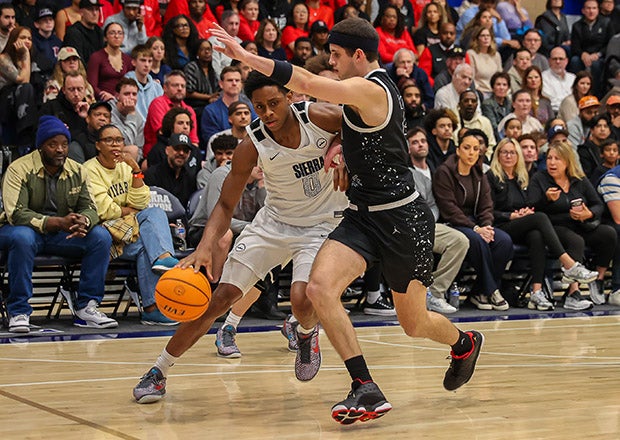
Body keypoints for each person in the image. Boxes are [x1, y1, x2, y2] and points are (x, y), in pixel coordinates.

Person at [206, 17, 484, 423]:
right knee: (319, 288)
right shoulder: (361, 95)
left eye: (336, 56)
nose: (331, 63)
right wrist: (339, 147)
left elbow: (306, 84)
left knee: (414, 323)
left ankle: (464, 342)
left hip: (402, 219)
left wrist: (247, 57)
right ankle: (364, 387)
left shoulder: (371, 87)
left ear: (357, 55)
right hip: (361, 216)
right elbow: (350, 127)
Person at [132, 71, 348, 402]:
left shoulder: (319, 117)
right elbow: (225, 203)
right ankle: (159, 370)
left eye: (274, 103)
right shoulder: (252, 144)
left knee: (303, 301)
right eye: (260, 107)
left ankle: (305, 333)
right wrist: (205, 246)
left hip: (320, 225)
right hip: (274, 223)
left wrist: (341, 146)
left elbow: (364, 127)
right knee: (218, 298)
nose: (269, 113)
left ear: (290, 97)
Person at [0, 115, 117, 333]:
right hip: (21, 231)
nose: (60, 149)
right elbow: (15, 213)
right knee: (22, 237)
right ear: (41, 146)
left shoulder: (78, 170)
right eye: (52, 144)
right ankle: (19, 311)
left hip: (60, 233)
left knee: (100, 237)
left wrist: (84, 221)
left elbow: (90, 207)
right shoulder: (19, 169)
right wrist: (55, 222)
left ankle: (87, 308)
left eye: (64, 144)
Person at [84, 123, 180, 325]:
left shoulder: (125, 167)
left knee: (153, 219)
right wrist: (129, 210)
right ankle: (153, 302)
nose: (115, 145)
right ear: (98, 145)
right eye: (109, 140)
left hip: (129, 232)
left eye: (119, 140)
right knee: (149, 228)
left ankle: (153, 304)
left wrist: (136, 170)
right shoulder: (89, 170)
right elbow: (103, 210)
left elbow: (142, 201)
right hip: (104, 239)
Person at [487, 137, 599, 310]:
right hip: (501, 225)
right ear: (497, 155)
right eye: (504, 152)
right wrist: (510, 215)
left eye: (512, 152)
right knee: (540, 218)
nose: (508, 156)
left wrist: (525, 212)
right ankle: (569, 265)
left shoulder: (522, 177)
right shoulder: (491, 177)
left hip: (524, 224)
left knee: (537, 235)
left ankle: (536, 293)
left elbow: (530, 204)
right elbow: (487, 210)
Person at [527, 140, 617, 308]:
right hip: (555, 227)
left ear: (568, 161)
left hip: (581, 224)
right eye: (549, 158)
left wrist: (588, 213)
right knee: (576, 241)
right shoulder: (540, 179)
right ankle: (572, 294)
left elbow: (598, 203)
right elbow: (532, 208)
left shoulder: (579, 179)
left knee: (608, 233)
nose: (552, 163)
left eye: (557, 159)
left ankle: (598, 279)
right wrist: (546, 199)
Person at [433, 131, 514, 311]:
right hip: (453, 224)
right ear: (458, 150)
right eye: (467, 148)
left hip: (476, 223)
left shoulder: (479, 173)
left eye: (475, 149)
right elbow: (448, 209)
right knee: (476, 240)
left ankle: (479, 292)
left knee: (503, 241)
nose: (471, 152)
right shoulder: (444, 172)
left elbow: (487, 205)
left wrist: (486, 226)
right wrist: (476, 228)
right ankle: (492, 290)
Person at [407, 127, 469, 314]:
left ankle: (434, 292)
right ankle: (431, 293)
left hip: (431, 223)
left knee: (460, 241)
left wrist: (430, 219)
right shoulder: (405, 172)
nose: (420, 145)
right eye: (415, 142)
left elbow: (433, 204)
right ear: (408, 148)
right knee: (459, 240)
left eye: (423, 141)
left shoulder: (435, 168)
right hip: (411, 225)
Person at [143, 70, 199, 157]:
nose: (180, 88)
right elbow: (163, 133)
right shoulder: (158, 103)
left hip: (183, 155)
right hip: (158, 154)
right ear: (165, 88)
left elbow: (194, 141)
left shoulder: (189, 110)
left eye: (183, 86)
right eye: (175, 85)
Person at [0, 26, 37, 150]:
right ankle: (24, 139)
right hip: (4, 98)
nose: (27, 41)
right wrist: (26, 53)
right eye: (23, 37)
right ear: (13, 40)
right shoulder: (3, 58)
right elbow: (23, 80)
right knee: (26, 88)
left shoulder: (31, 59)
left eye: (29, 38)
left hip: (21, 101)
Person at [200, 66, 256, 147]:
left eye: (237, 80)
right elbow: (211, 139)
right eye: (230, 80)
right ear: (221, 84)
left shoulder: (251, 107)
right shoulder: (210, 111)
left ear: (241, 84)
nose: (234, 83)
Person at [569, 0, 612, 98]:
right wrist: (583, 54)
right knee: (575, 61)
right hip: (583, 56)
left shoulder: (606, 23)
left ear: (598, 10)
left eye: (594, 8)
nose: (591, 11)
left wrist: (598, 54)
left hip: (600, 56)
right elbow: (575, 47)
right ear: (583, 10)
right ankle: (576, 93)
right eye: (588, 8)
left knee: (596, 65)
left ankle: (595, 95)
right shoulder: (577, 26)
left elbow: (610, 44)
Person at [143, 133, 198, 206]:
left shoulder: (190, 178)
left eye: (185, 150)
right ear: (167, 150)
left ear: (189, 154)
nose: (181, 153)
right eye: (177, 148)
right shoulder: (152, 174)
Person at [87, 22, 134, 102]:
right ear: (105, 37)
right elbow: (91, 86)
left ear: (123, 37)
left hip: (123, 102)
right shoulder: (96, 57)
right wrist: (104, 95)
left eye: (120, 33)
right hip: (102, 102)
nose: (116, 36)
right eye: (112, 33)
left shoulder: (128, 59)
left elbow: (132, 83)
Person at [39, 71, 89, 141]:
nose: (76, 94)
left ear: (85, 89)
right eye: (71, 89)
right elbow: (39, 134)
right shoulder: (50, 107)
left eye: (79, 89)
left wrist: (88, 119)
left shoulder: (90, 111)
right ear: (64, 90)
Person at [125, 44, 164, 121]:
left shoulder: (157, 87)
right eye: (143, 60)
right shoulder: (125, 84)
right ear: (134, 62)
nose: (146, 65)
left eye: (150, 61)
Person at [453, 89, 496, 158]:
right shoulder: (452, 121)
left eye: (473, 101)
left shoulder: (485, 122)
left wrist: (485, 161)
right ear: (459, 104)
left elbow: (491, 146)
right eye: (466, 101)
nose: (470, 104)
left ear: (477, 105)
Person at [109, 77, 144, 161]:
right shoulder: (109, 112)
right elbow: (126, 141)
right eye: (127, 94)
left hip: (129, 160)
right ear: (117, 96)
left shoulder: (138, 117)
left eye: (134, 94)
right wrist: (131, 114)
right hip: (109, 153)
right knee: (132, 150)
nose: (131, 97)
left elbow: (139, 148)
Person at [183, 39, 219, 118]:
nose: (207, 52)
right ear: (197, 53)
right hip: (195, 107)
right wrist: (209, 97)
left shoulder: (212, 70)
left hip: (211, 105)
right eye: (203, 49)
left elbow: (217, 90)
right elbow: (188, 92)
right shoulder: (191, 67)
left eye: (209, 49)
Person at [62, 0, 104, 66]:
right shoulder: (73, 32)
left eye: (97, 9)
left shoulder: (99, 31)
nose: (95, 13)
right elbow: (78, 63)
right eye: (90, 10)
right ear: (81, 12)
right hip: (81, 74)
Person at [418, 22, 457, 87]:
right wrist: (438, 84)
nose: (448, 36)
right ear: (439, 34)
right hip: (435, 88)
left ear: (455, 35)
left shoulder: (462, 51)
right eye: (445, 33)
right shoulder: (429, 51)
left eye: (451, 33)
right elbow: (424, 75)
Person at [466, 26, 500, 98]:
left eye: (488, 36)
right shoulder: (471, 54)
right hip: (480, 92)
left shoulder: (496, 55)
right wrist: (479, 91)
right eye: (483, 36)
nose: (486, 38)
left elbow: (500, 75)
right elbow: (471, 77)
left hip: (495, 91)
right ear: (477, 39)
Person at [542, 47, 575, 115]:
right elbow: (550, 101)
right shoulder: (543, 77)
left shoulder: (573, 78)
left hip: (574, 112)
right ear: (549, 61)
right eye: (554, 59)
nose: (558, 62)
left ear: (566, 61)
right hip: (554, 113)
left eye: (561, 59)